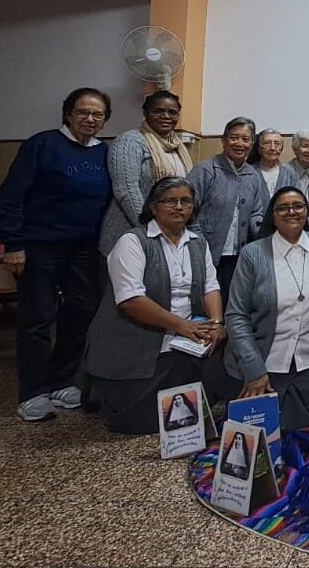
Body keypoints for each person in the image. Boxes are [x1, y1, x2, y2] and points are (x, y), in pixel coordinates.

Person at [0, 87, 114, 422]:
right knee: (37, 318)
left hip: (85, 248)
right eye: (83, 112)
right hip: (40, 247)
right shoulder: (42, 146)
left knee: (81, 313)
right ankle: (32, 392)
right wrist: (13, 244)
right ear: (68, 114)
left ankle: (63, 380)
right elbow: (11, 197)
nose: (90, 119)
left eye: (97, 114)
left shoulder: (103, 153)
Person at [83, 177, 230, 435]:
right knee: (145, 422)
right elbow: (130, 301)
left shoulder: (198, 242)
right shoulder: (132, 242)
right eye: (169, 201)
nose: (178, 207)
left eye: (185, 201)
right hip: (136, 344)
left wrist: (217, 324)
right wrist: (182, 326)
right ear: (153, 206)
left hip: (186, 339)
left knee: (218, 385)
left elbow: (211, 287)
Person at [226, 187, 309, 431]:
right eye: (282, 207)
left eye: (298, 206)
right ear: (272, 215)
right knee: (264, 441)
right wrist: (254, 370)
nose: (291, 212)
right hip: (265, 364)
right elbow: (236, 315)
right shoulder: (253, 254)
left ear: (307, 211)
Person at [100, 90, 193, 255]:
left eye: (172, 112)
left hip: (166, 236)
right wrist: (152, 230)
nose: (166, 116)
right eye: (158, 111)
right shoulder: (130, 141)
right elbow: (126, 191)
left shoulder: (178, 146)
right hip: (130, 233)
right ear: (145, 113)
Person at [187, 116, 265, 300]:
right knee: (206, 302)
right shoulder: (206, 170)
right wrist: (199, 243)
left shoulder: (252, 175)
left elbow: (256, 212)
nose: (240, 143)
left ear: (252, 143)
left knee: (232, 303)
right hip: (206, 252)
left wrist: (264, 231)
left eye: (246, 139)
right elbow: (187, 211)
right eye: (234, 137)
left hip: (237, 255)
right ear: (223, 140)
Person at [249, 128, 299, 207]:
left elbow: (296, 201)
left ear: (281, 148)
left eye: (277, 143)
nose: (272, 148)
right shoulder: (249, 172)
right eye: (267, 143)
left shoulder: (290, 173)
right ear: (259, 148)